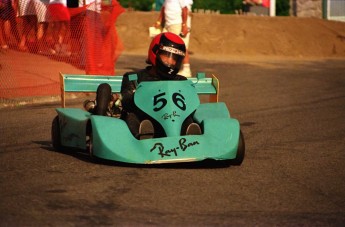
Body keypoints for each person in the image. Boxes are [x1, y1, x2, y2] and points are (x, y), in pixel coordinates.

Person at [85, 32, 201, 140]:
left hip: (174, 121)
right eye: (167, 56)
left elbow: (190, 106)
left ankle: (190, 137)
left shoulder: (181, 80)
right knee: (131, 117)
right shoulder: (134, 77)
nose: (171, 62)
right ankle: (143, 136)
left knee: (188, 119)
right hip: (144, 118)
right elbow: (127, 102)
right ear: (155, 53)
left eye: (175, 59)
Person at [154, 0, 193, 78]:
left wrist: (184, 25)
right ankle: (162, 67)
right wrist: (159, 21)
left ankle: (186, 69)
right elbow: (163, 8)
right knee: (162, 45)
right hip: (168, 24)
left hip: (177, 24)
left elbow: (185, 9)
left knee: (180, 47)